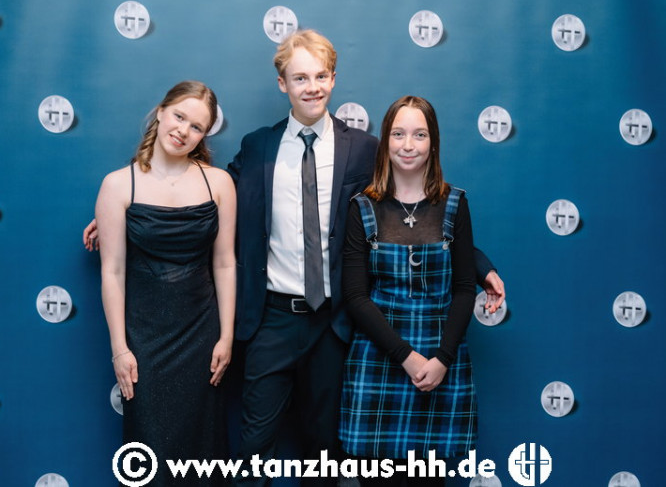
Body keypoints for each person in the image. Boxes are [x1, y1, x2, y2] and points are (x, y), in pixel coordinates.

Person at [83, 30, 505, 485]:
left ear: (333, 79)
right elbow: (204, 197)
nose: (312, 87)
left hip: (335, 323)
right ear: (282, 83)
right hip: (271, 319)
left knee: (324, 454)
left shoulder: (364, 149)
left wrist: (478, 265)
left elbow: (411, 211)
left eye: (320, 76)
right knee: (254, 451)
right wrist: (127, 215)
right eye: (300, 78)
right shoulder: (258, 148)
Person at [95, 80, 236, 486]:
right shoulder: (118, 185)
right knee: (149, 454)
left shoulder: (218, 183)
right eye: (179, 116)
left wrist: (226, 336)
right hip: (144, 339)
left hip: (201, 336)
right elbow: (112, 271)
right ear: (161, 112)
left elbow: (225, 263)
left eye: (197, 126)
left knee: (203, 453)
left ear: (204, 135)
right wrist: (120, 348)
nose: (183, 131)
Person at [339, 96, 478, 486]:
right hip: (380, 359)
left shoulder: (455, 204)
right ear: (385, 141)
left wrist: (442, 359)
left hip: (438, 360)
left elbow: (464, 289)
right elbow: (356, 296)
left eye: (419, 135)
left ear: (433, 142)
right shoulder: (362, 207)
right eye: (398, 134)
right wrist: (407, 357)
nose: (408, 145)